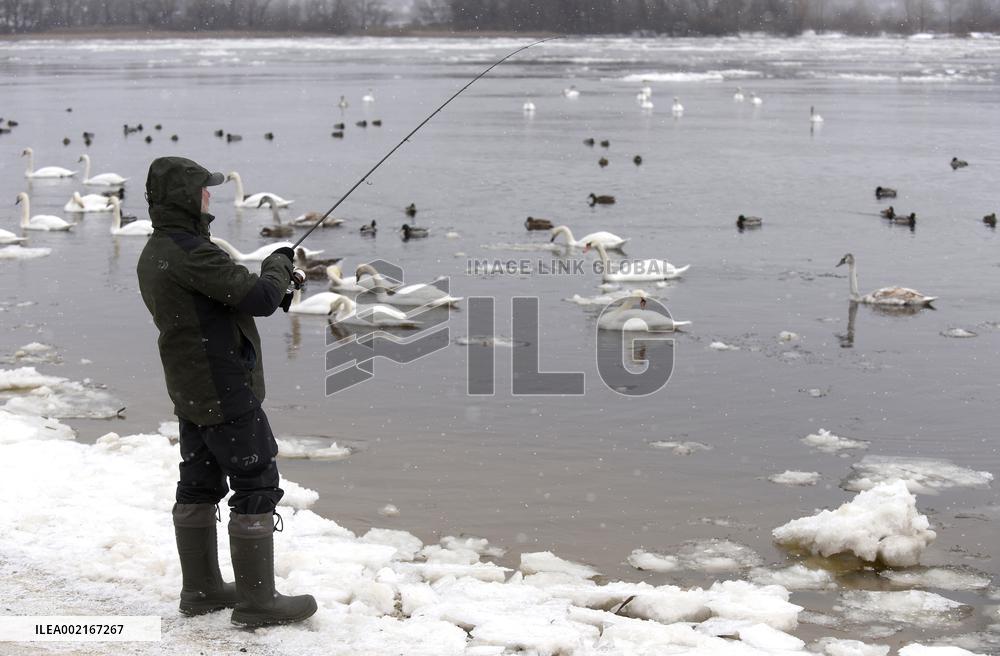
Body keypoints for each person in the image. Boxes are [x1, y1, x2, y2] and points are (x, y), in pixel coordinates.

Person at [136, 156, 315, 627]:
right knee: (256, 482)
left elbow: (227, 297)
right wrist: (279, 266)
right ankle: (258, 603)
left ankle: (201, 591)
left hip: (190, 386)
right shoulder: (193, 252)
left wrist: (274, 278)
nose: (210, 195)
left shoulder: (156, 250)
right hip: (223, 387)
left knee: (198, 482)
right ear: (186, 197)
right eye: (204, 189)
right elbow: (257, 298)